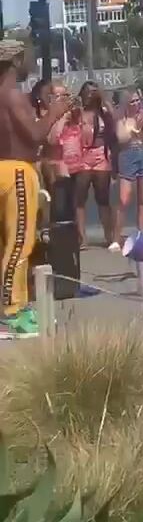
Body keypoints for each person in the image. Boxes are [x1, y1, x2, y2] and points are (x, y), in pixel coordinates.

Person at [0, 40, 70, 337]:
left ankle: (11, 307)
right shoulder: (13, 95)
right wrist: (55, 112)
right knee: (20, 242)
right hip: (17, 170)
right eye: (27, 57)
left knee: (6, 243)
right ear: (16, 61)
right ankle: (12, 312)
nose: (31, 63)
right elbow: (34, 135)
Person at [73, 81, 116, 250]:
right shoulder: (78, 112)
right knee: (80, 198)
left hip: (100, 154)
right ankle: (82, 237)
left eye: (93, 92)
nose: (91, 95)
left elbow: (115, 119)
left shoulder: (102, 112)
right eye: (88, 92)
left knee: (103, 197)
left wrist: (103, 98)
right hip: (82, 154)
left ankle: (109, 235)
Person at [115, 88, 143, 242]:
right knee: (124, 198)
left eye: (138, 100)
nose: (136, 103)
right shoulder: (121, 118)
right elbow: (121, 139)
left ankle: (141, 234)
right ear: (125, 103)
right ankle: (116, 237)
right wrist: (135, 129)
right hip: (127, 155)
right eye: (132, 101)